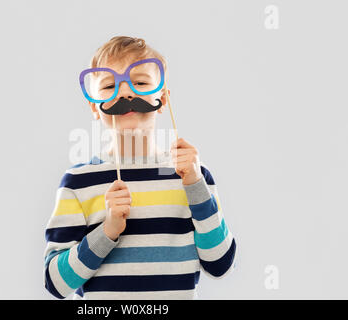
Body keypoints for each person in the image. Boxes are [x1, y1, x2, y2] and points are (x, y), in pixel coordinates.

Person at [44, 36, 236, 299]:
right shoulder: (78, 183)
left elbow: (220, 264)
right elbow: (56, 283)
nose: (125, 93)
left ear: (164, 98)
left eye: (141, 82)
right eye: (110, 85)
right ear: (94, 107)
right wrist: (108, 230)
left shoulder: (193, 175)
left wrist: (194, 185)